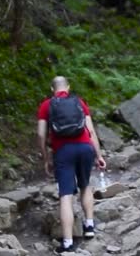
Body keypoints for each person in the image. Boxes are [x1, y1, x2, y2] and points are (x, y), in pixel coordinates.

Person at [37, 76, 106, 253]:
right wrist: (98, 155)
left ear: (52, 89)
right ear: (68, 87)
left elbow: (40, 135)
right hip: (85, 148)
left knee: (66, 195)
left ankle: (67, 243)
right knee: (85, 186)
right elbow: (90, 131)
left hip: (63, 151)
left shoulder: (46, 105)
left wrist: (46, 158)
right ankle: (89, 226)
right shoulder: (79, 102)